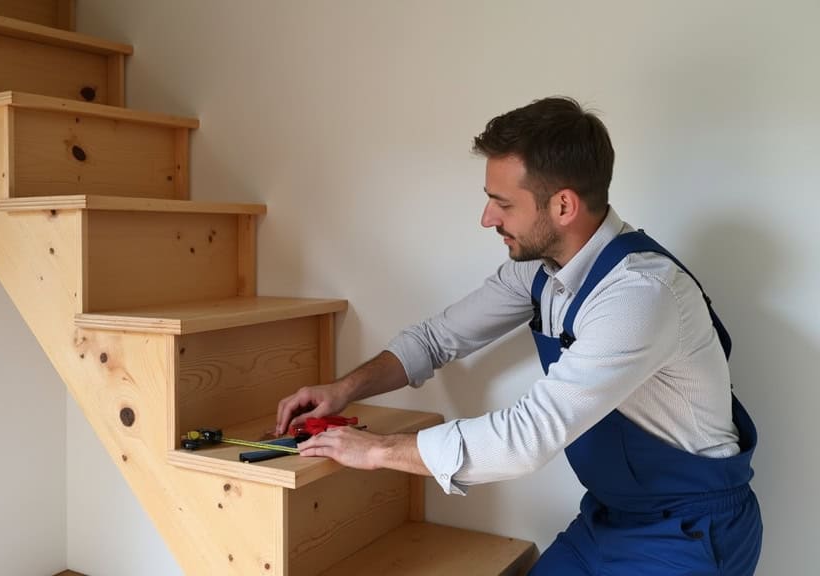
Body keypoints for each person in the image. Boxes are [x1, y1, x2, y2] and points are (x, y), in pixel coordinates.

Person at [274, 97, 762, 575]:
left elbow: (527, 436)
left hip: (690, 533)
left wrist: (378, 451)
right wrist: (342, 389)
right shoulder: (541, 273)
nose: (488, 218)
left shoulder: (638, 296)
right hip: (609, 518)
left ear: (564, 205)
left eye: (501, 202)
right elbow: (435, 338)